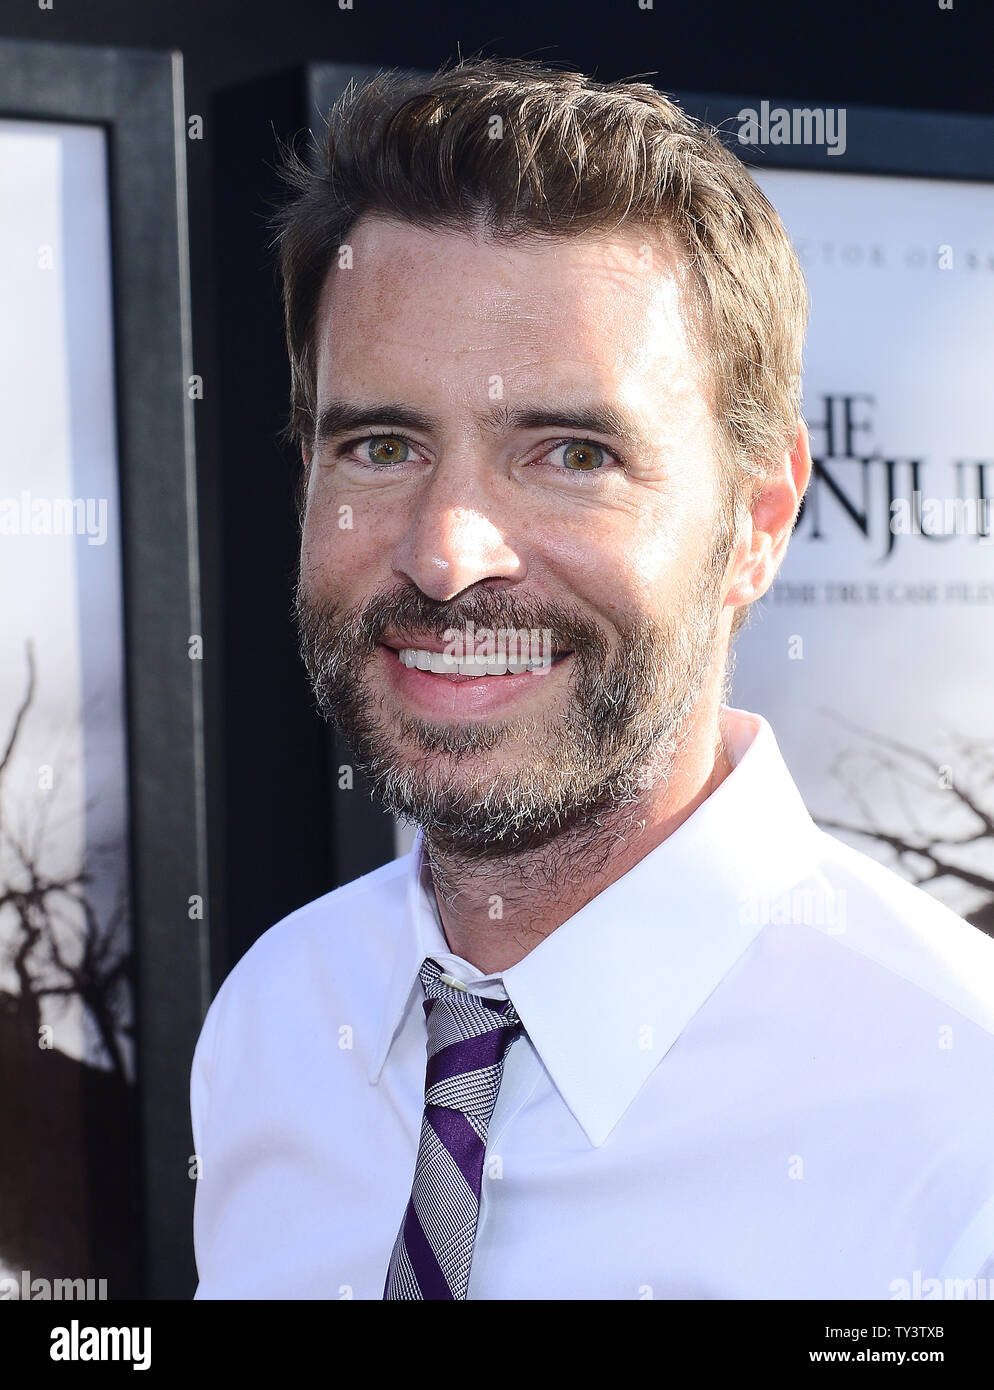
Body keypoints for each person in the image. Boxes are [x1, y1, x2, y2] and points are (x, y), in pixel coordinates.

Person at [191, 56, 994, 1300]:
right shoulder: (274, 1020)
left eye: (570, 452)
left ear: (758, 519)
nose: (448, 551)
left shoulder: (959, 1120)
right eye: (384, 444)